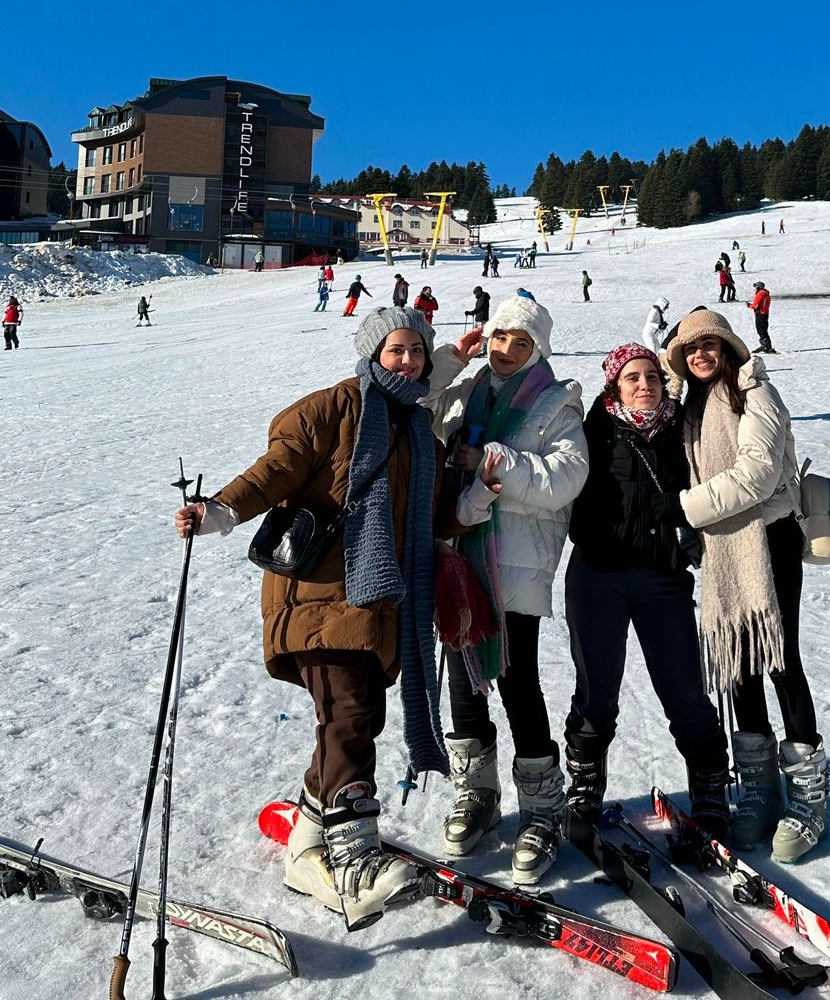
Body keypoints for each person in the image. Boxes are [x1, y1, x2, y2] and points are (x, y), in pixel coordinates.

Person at [173, 309, 494, 927]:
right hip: (318, 594)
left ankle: (307, 841)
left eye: (416, 353)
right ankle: (354, 859)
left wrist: (474, 503)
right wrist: (219, 511)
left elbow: (429, 517)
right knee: (348, 714)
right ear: (373, 352)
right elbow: (278, 469)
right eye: (396, 351)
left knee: (355, 716)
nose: (407, 362)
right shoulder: (332, 408)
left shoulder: (418, 431)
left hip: (379, 605)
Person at [423, 296, 588, 883]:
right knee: (464, 679)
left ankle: (542, 808)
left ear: (539, 348)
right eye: (500, 340)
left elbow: (566, 478)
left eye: (522, 343)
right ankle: (478, 793)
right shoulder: (468, 390)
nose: (507, 352)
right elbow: (415, 409)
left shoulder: (556, 402)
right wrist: (447, 363)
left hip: (513, 562)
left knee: (518, 681)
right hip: (458, 550)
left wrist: (497, 460)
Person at [663, 310, 829, 859]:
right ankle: (758, 788)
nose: (700, 356)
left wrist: (684, 510)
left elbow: (757, 474)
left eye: (709, 346)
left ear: (728, 348)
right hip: (722, 548)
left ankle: (808, 795)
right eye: (690, 350)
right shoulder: (691, 406)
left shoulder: (755, 395)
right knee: (738, 662)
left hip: (769, 540)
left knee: (780, 659)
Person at [563, 344, 728, 831]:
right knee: (596, 688)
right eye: (633, 378)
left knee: (683, 688)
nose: (644, 386)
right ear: (615, 384)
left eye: (652, 377)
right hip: (598, 575)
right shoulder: (592, 427)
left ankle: (710, 782)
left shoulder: (683, 428)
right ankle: (586, 780)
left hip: (662, 576)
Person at [748, 282, 774, 353]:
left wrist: (749, 305)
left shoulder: (760, 294)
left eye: (755, 287)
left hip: (760, 314)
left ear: (758, 287)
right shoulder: (766, 294)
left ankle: (765, 346)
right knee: (764, 330)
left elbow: (755, 305)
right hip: (765, 314)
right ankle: (768, 346)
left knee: (760, 330)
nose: (754, 289)